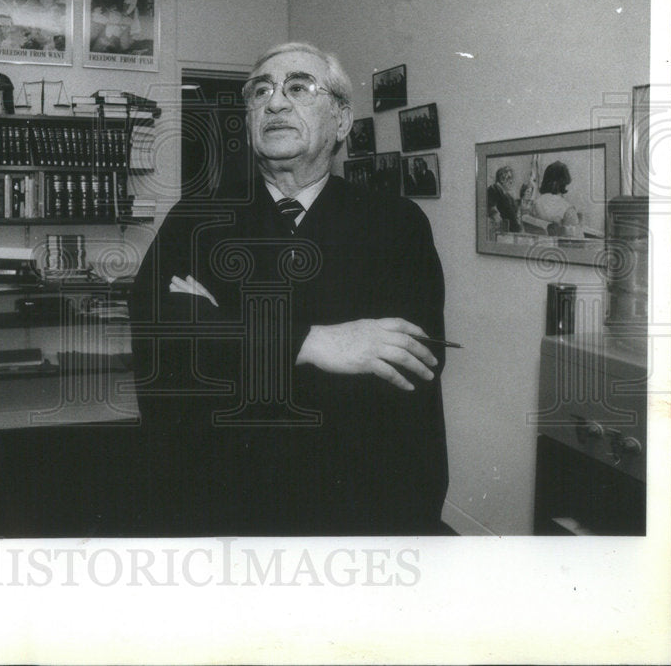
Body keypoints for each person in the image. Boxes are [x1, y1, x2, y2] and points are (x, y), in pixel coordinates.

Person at [129, 41, 449, 536]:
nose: (275, 102)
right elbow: (162, 333)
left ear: (341, 120)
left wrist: (224, 331)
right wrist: (315, 342)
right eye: (260, 91)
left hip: (357, 512)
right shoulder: (194, 221)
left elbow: (410, 360)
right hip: (223, 504)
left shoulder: (396, 224)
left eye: (298, 87)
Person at [532, 160, 581, 236]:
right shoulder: (568, 210)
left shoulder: (535, 203)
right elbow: (578, 241)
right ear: (563, 183)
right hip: (561, 247)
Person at [487, 165, 521, 233]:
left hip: (512, 232)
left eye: (512, 178)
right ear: (501, 179)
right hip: (502, 233)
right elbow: (491, 209)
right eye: (509, 178)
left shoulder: (508, 195)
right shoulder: (493, 189)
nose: (511, 181)